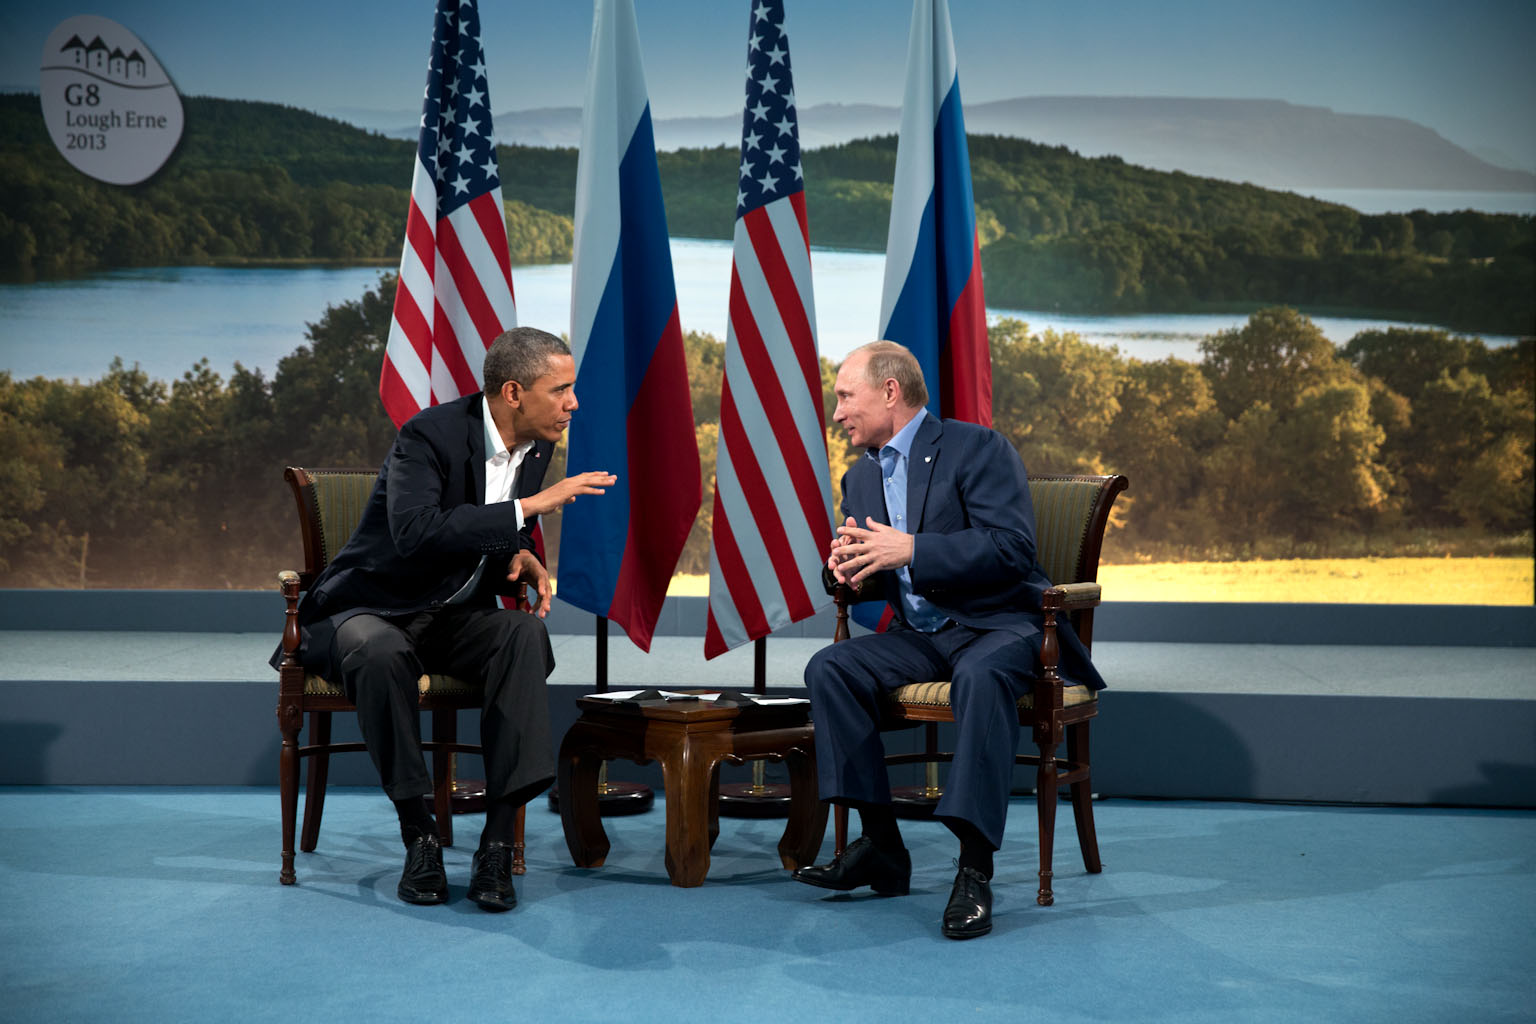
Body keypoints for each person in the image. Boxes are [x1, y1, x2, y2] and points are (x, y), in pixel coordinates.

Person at [285, 326, 614, 912]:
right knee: (378, 651)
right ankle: (420, 836)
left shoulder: (535, 445)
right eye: (560, 389)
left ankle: (494, 843)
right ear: (513, 393)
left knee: (523, 634)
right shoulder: (427, 435)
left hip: (453, 614)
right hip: (371, 608)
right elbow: (415, 534)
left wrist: (521, 550)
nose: (574, 403)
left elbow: (493, 530)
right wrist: (530, 507)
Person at [793, 340, 1105, 939]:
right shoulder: (858, 479)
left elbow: (1013, 550)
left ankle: (974, 868)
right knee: (831, 668)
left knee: (981, 675)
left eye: (844, 397)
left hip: (1002, 624)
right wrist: (843, 572)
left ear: (889, 391)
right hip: (921, 635)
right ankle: (882, 847)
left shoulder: (976, 448)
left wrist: (912, 548)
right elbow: (872, 581)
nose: (837, 413)